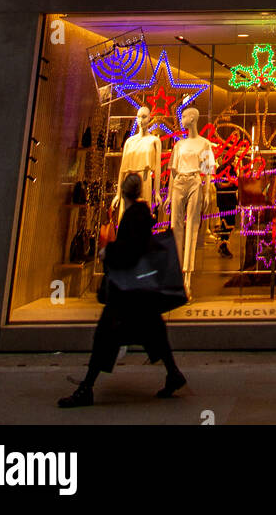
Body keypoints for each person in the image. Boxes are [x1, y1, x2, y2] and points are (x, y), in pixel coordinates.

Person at [58, 171, 186, 407]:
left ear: (122, 190)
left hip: (129, 292)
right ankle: (173, 373)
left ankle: (87, 387)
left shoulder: (133, 216)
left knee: (106, 336)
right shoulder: (140, 214)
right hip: (139, 291)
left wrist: (110, 252)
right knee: (153, 332)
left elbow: (131, 250)